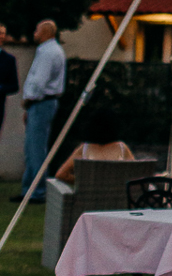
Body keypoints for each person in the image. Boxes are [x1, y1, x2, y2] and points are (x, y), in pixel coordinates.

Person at [17, 20, 66, 203]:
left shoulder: (48, 52)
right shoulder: (50, 50)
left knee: (36, 148)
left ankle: (37, 191)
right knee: (32, 147)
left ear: (45, 32)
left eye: (37, 30)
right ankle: (28, 189)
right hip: (40, 104)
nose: (34, 33)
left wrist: (29, 100)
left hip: (41, 102)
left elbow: (39, 81)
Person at [54, 108, 135, 185]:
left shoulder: (84, 149)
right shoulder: (121, 148)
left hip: (88, 194)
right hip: (116, 194)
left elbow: (61, 175)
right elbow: (135, 175)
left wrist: (84, 182)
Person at [0, 25, 19, 139]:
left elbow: (14, 86)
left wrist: (1, 88)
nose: (1, 36)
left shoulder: (9, 60)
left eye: (3, 33)